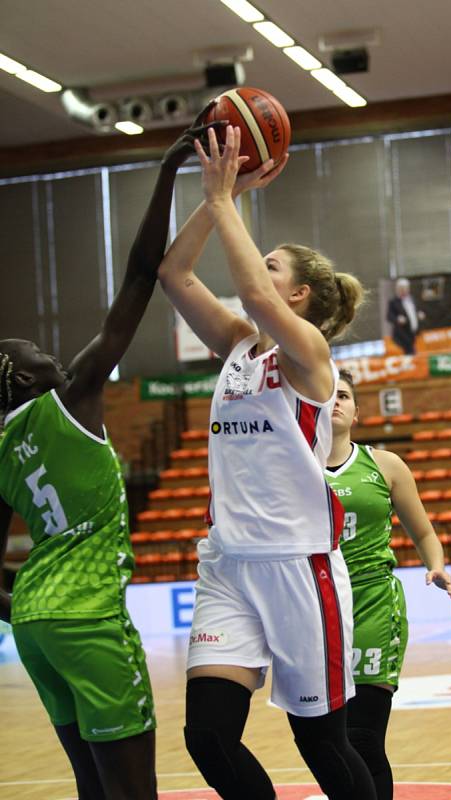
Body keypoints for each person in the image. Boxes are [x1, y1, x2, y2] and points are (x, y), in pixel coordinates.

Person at [0, 115, 222, 800]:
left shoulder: (2, 450)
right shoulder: (73, 397)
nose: (50, 351)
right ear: (21, 376)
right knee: (133, 792)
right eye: (33, 349)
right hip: (88, 615)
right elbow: (138, 277)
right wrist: (166, 170)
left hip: (34, 624)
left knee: (90, 787)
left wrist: (33, 608)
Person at [157, 124, 377, 800]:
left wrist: (227, 199)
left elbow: (251, 294)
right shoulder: (236, 347)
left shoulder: (308, 353)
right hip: (227, 563)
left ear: (298, 296)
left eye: (272, 264)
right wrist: (219, 196)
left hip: (296, 565)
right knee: (209, 738)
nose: (258, 271)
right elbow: (174, 273)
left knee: (321, 742)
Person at [325, 369, 451, 800]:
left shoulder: (384, 464)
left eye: (344, 395)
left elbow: (423, 533)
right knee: (328, 744)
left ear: (358, 412)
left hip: (372, 604)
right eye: (327, 395)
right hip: (316, 606)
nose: (336, 402)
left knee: (362, 736)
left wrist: (436, 564)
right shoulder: (291, 465)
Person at [386, 277, 424, 354]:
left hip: (413, 332)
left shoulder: (411, 298)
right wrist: (397, 319)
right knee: (410, 352)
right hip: (402, 334)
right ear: (397, 289)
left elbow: (415, 311)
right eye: (401, 288)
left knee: (412, 351)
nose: (404, 290)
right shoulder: (393, 302)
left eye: (405, 288)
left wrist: (419, 314)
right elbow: (389, 316)